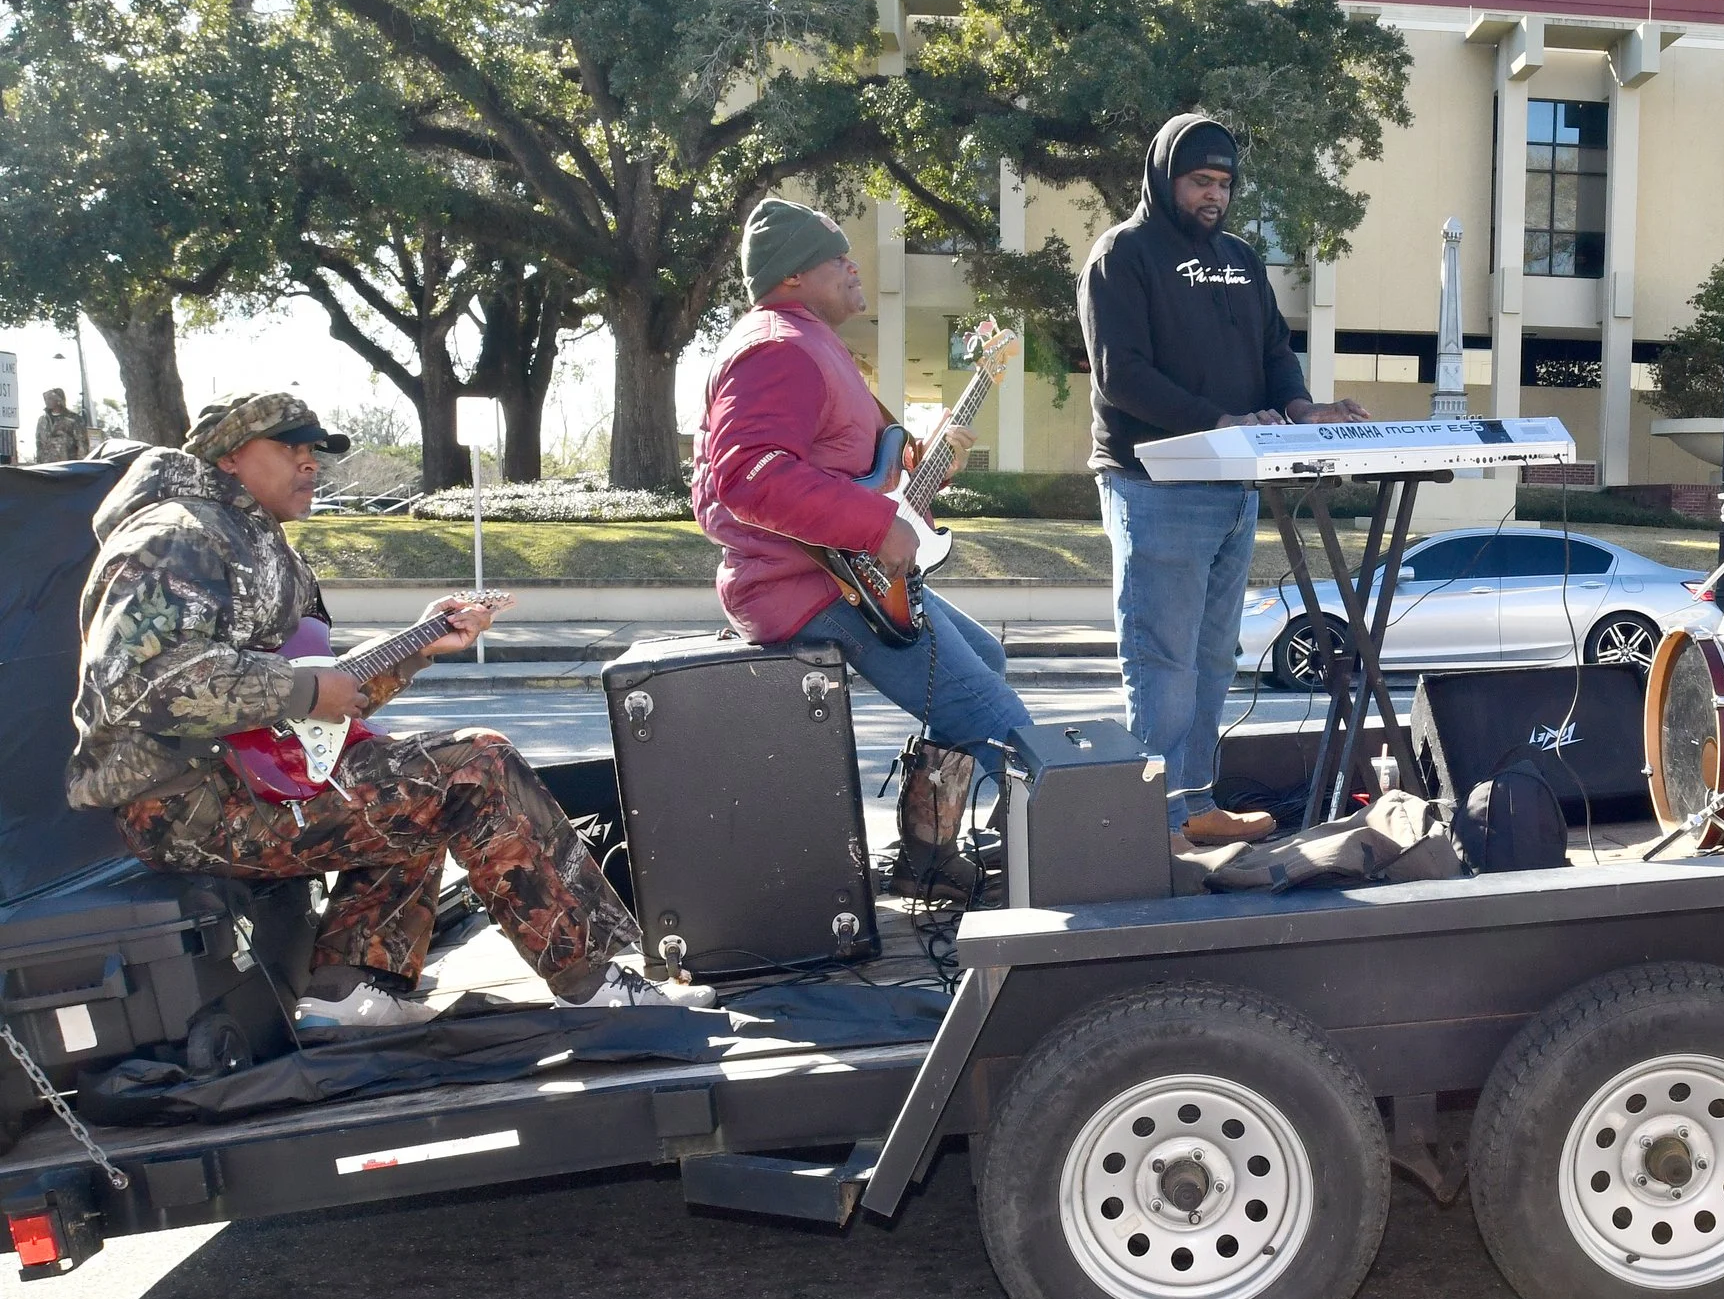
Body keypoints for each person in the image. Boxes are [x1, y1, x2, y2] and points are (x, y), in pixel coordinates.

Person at [67, 393, 712, 1027]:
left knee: (403, 774)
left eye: (314, 450)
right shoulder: (176, 536)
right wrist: (306, 692)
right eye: (290, 448)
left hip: (242, 787)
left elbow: (317, 699)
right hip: (187, 805)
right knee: (475, 766)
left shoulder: (258, 543)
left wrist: (419, 644)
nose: (310, 462)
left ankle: (353, 986)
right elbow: (131, 682)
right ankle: (595, 977)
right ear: (230, 457)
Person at [691, 197, 1032, 887]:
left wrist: (925, 470)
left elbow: (853, 479)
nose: (854, 265)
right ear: (792, 276)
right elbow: (748, 476)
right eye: (836, 255)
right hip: (814, 587)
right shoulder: (776, 348)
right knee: (1001, 723)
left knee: (986, 659)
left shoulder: (805, 342)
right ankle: (1100, 852)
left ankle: (928, 855)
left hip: (840, 575)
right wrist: (880, 526)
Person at [1079, 113, 1374, 845]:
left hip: (1235, 490)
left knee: (1214, 656)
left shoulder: (1242, 259)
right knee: (1163, 657)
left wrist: (1304, 409)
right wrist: (1218, 421)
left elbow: (1274, 350)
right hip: (1154, 487)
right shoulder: (1122, 255)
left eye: (1224, 183)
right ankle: (1152, 822)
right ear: (1164, 177)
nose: (1214, 196)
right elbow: (1122, 376)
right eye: (1199, 181)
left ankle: (1196, 804)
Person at [34, 388, 86, 464]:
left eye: (50, 398)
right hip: (46, 466)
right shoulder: (42, 420)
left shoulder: (73, 419)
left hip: (67, 466)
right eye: (46, 399)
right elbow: (39, 442)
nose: (47, 401)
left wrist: (81, 465)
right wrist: (39, 462)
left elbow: (82, 443)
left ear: (59, 400)